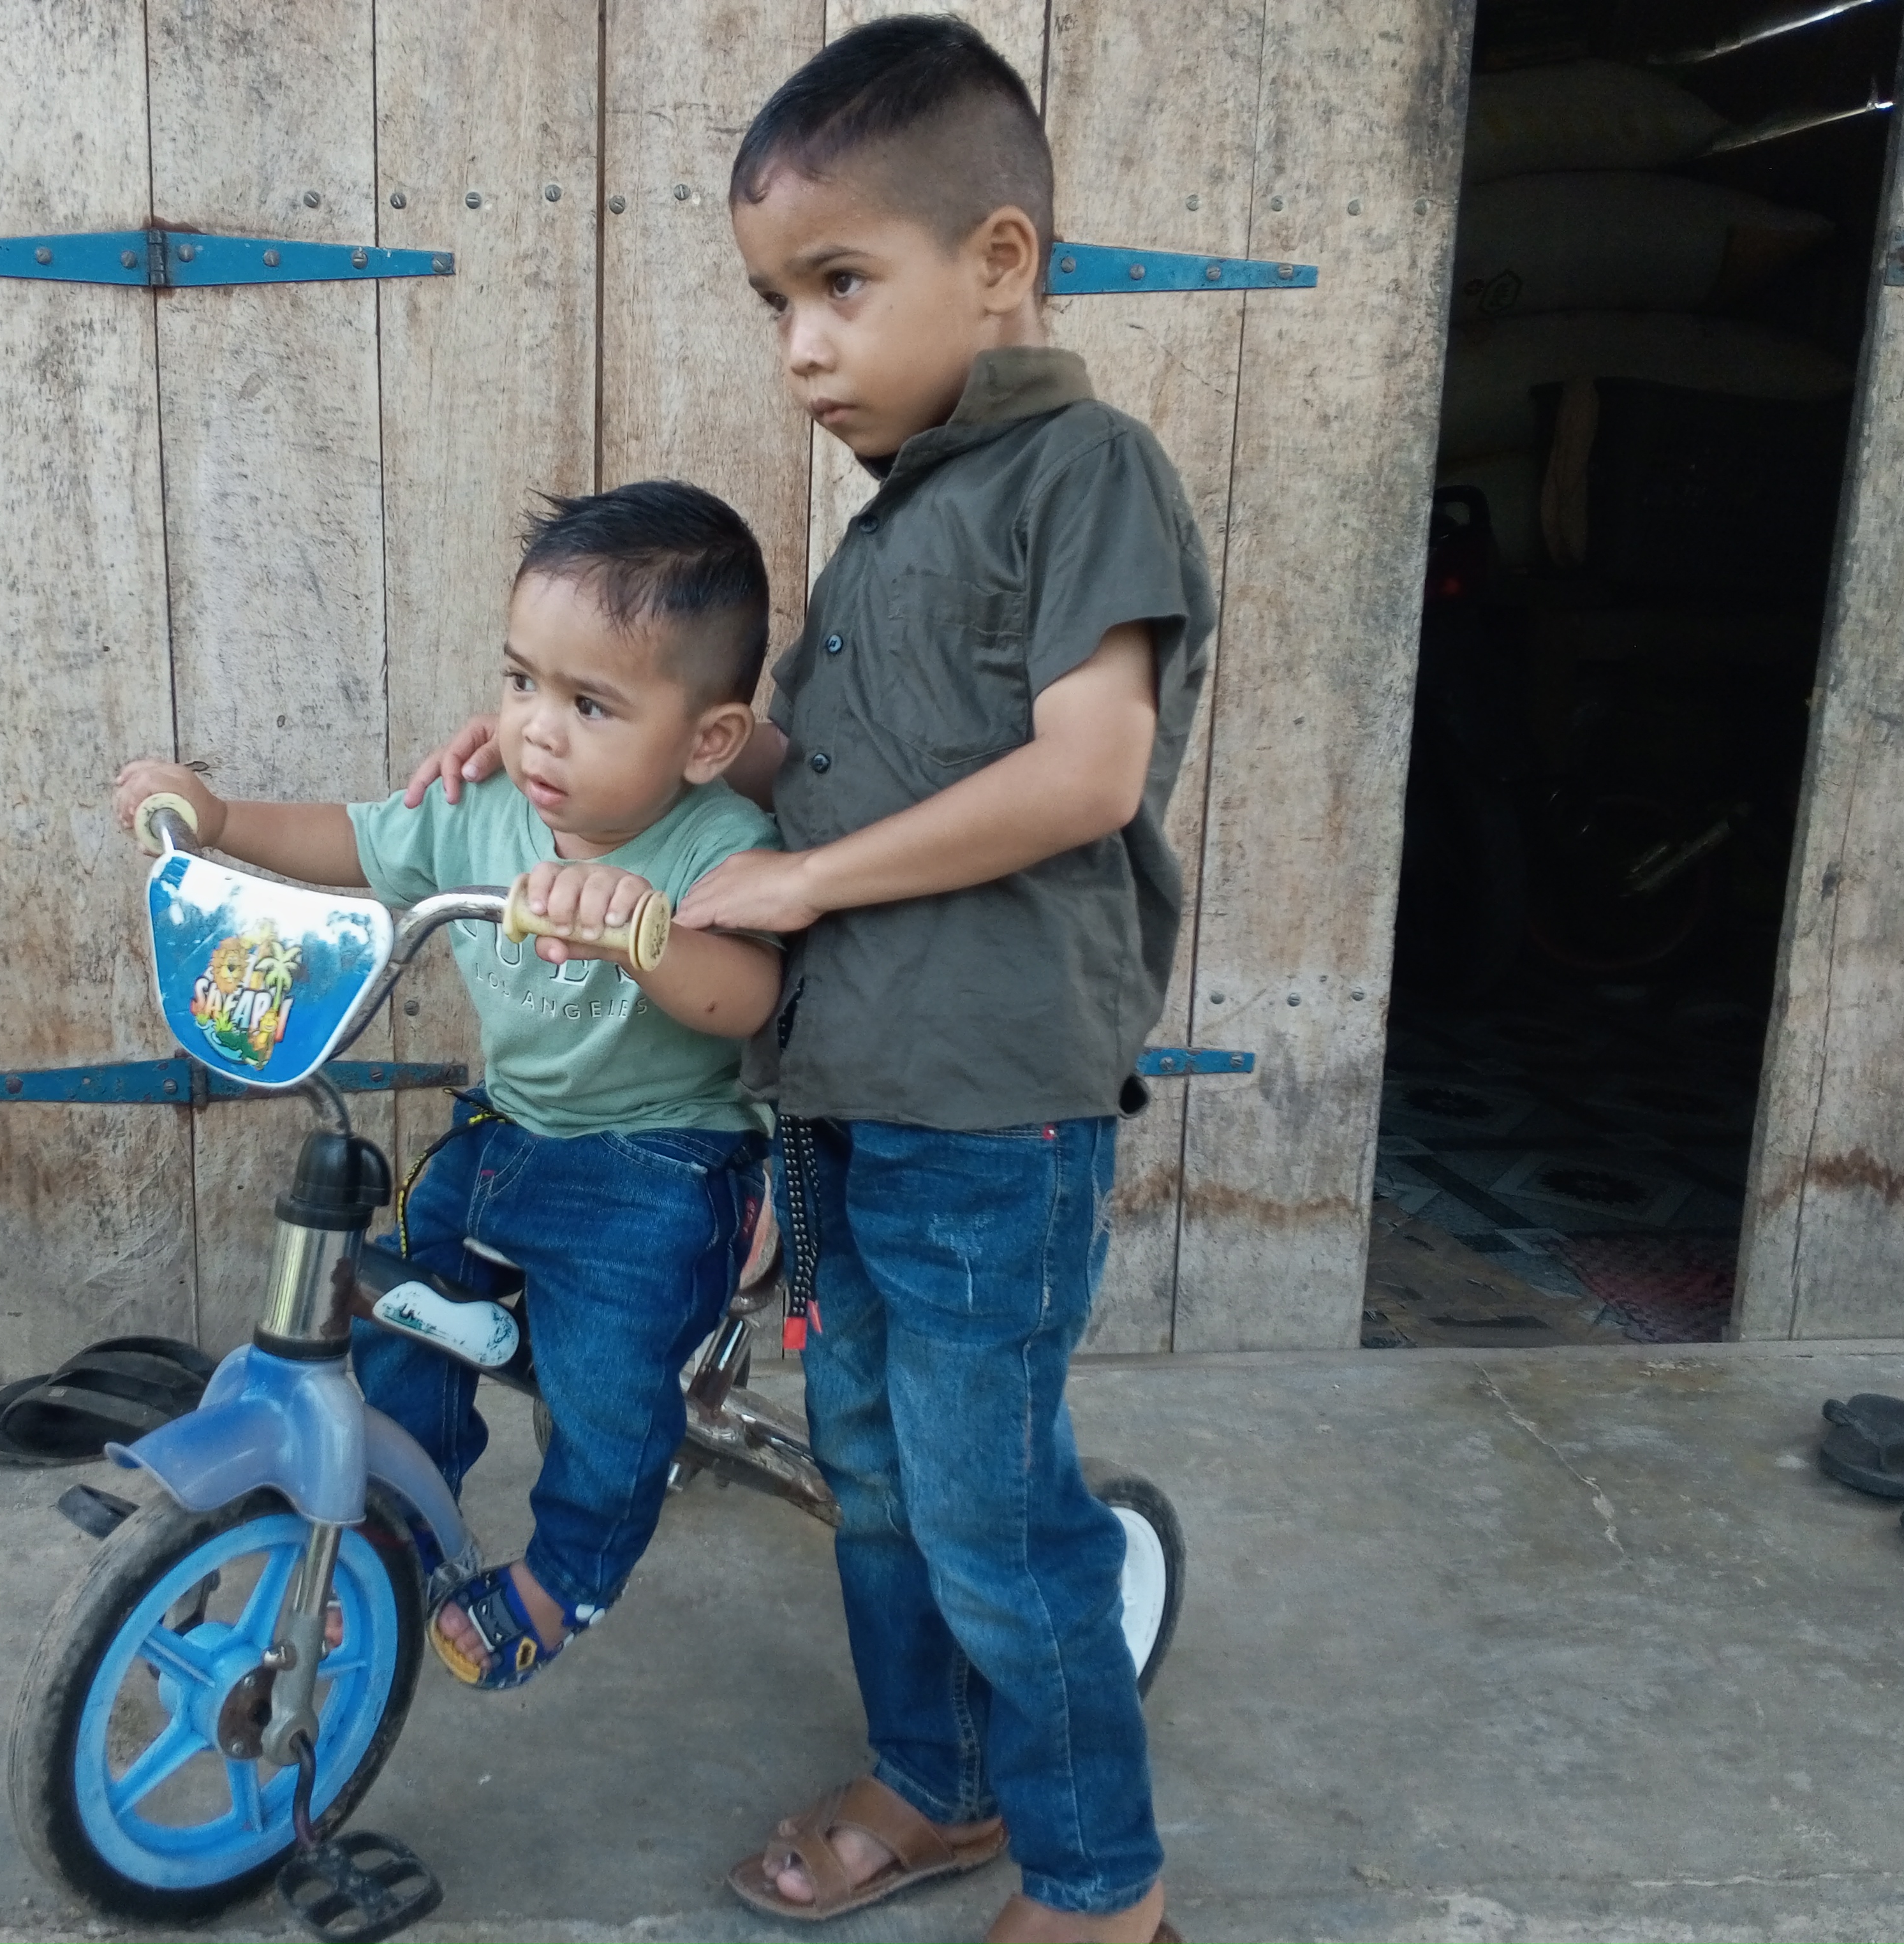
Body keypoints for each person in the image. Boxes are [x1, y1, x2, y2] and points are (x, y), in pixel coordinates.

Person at [399, 18, 1213, 1943]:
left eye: (840, 284)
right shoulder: (889, 530)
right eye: (778, 301)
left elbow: (1089, 773)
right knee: (880, 1482)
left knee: (996, 1521)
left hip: (993, 1114)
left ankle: (1104, 1892)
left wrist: (802, 879)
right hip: (848, 1099)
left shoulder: (1085, 473)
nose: (800, 347)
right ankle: (936, 1789)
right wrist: (571, 736)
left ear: (999, 261)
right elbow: (798, 768)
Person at [112, 479, 783, 1691]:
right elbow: (360, 843)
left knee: (608, 1381)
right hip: (510, 1128)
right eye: (522, 682)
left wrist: (646, 933)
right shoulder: (484, 807)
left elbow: (749, 997)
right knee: (390, 1306)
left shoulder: (718, 844)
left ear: (707, 740)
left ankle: (569, 1571)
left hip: (660, 1160)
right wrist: (215, 818)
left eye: (590, 705)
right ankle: (394, 1529)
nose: (537, 731)